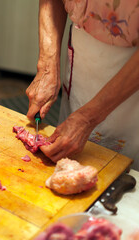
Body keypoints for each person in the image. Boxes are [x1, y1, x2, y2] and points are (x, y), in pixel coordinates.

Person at [26, 0, 139, 169]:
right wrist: (47, 65)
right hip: (82, 50)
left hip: (132, 75)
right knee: (68, 160)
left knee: (124, 173)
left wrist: (86, 118)